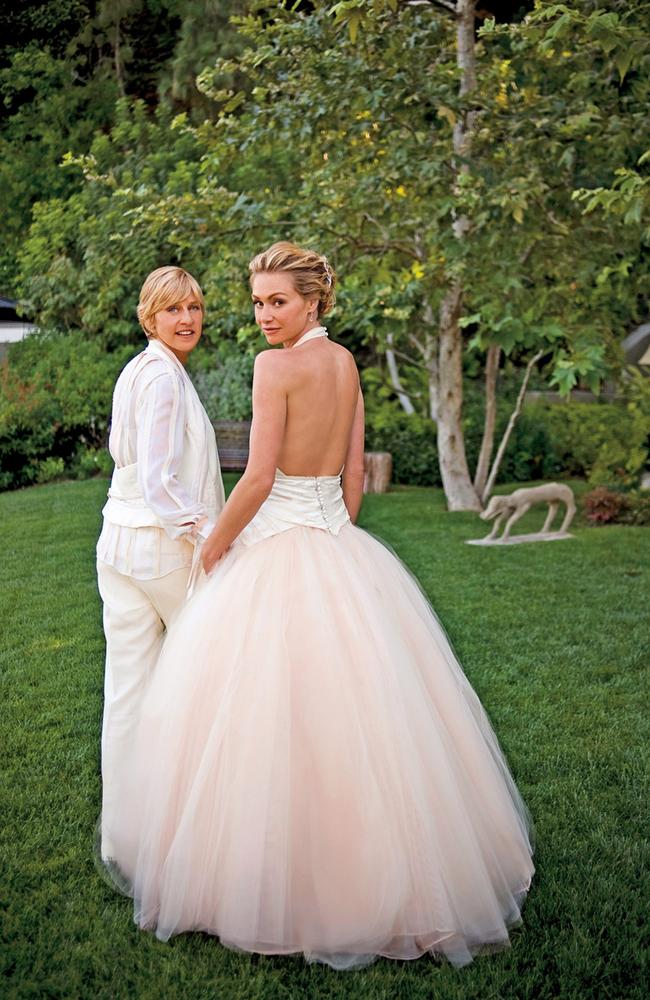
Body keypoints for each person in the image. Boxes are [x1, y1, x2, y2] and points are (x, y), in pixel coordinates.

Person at [106, 243, 534, 970]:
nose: (263, 316)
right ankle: (381, 870)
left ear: (313, 301)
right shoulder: (344, 364)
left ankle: (275, 881)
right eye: (257, 303)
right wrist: (335, 526)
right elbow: (353, 477)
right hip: (340, 544)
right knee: (365, 716)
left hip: (277, 542)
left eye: (278, 302)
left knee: (258, 717)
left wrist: (214, 548)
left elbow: (261, 476)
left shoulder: (276, 368)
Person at [96, 265, 224, 863]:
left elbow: (125, 462)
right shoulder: (164, 379)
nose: (187, 320)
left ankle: (127, 835)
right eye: (173, 309)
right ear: (150, 315)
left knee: (128, 688)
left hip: (116, 543)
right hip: (158, 547)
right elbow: (157, 480)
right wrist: (208, 531)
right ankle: (198, 823)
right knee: (210, 672)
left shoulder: (139, 370)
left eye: (194, 308)